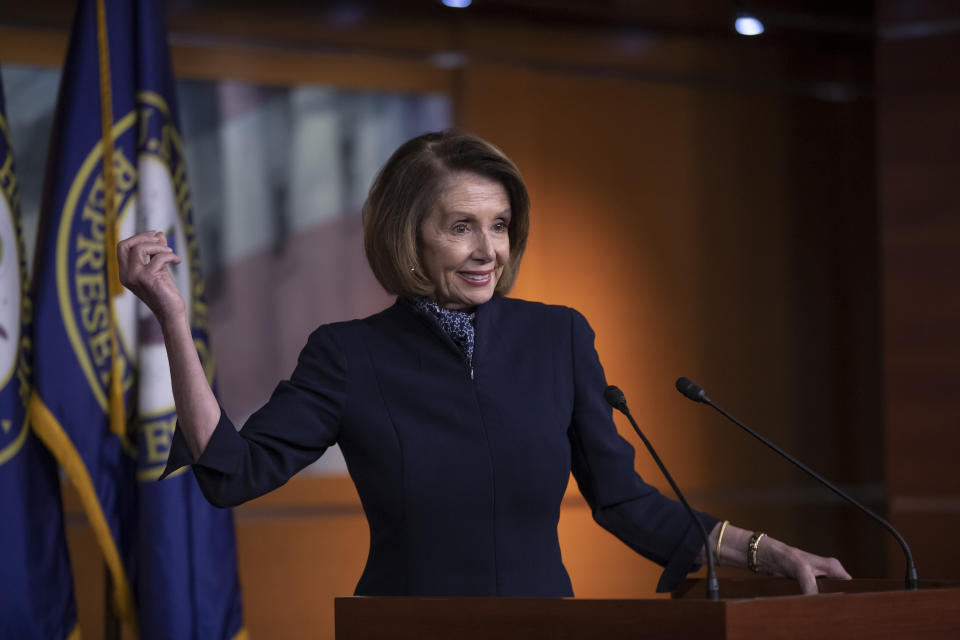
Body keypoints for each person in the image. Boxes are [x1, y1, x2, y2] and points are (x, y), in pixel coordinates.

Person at [118, 129, 850, 597]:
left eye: (499, 226)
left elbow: (626, 502)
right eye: (461, 226)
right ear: (411, 235)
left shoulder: (559, 337)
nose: (488, 249)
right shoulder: (348, 354)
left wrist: (765, 551)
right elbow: (233, 471)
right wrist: (173, 321)